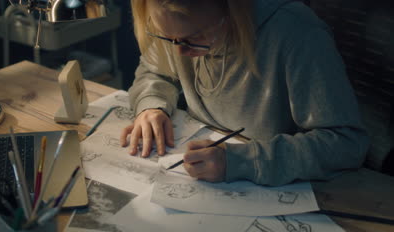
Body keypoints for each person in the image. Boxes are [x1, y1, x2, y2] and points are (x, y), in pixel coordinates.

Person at [120, 0, 369, 186]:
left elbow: (346, 143)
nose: (179, 53)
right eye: (166, 37)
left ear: (233, 10)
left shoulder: (298, 34)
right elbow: (155, 72)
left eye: (196, 37)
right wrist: (151, 106)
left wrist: (244, 161)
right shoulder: (177, 26)